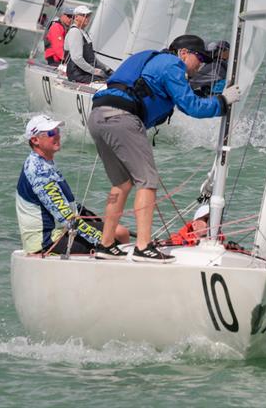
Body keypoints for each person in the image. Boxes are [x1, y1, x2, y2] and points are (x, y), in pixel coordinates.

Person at [88, 34, 241, 261]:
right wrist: (223, 102)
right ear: (183, 53)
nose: (200, 65)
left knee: (120, 184)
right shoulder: (172, 64)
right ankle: (143, 247)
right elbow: (193, 107)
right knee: (147, 182)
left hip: (97, 115)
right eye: (199, 57)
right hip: (122, 118)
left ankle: (106, 244)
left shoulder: (149, 59)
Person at [15, 114, 129, 255]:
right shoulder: (39, 171)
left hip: (60, 231)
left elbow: (62, 204)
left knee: (120, 232)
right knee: (114, 239)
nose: (57, 136)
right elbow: (67, 219)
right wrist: (101, 241)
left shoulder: (44, 162)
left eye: (57, 131)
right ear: (35, 140)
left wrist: (86, 214)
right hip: (47, 240)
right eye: (51, 133)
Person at [63, 5, 112, 83]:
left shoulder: (83, 32)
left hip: (85, 72)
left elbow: (91, 59)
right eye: (84, 15)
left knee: (112, 78)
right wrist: (94, 71)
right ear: (76, 17)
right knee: (108, 82)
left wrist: (106, 68)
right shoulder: (75, 32)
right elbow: (77, 58)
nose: (87, 18)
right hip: (77, 75)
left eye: (88, 16)